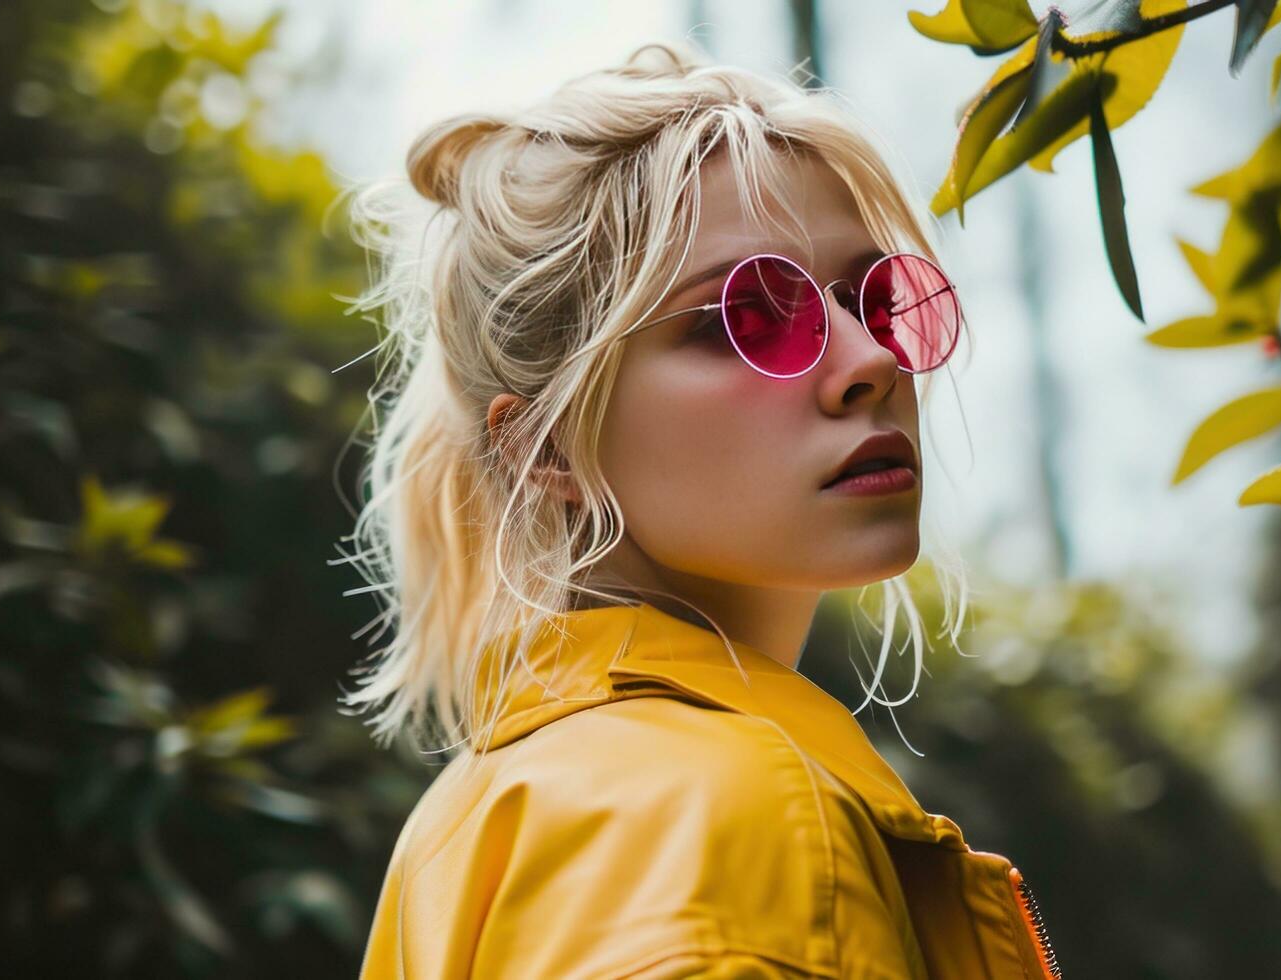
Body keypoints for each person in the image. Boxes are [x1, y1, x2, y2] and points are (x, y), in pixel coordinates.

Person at [338, 37, 1061, 979]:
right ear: (547, 448)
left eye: (873, 299)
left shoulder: (466, 827)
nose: (873, 362)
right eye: (745, 317)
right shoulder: (740, 818)